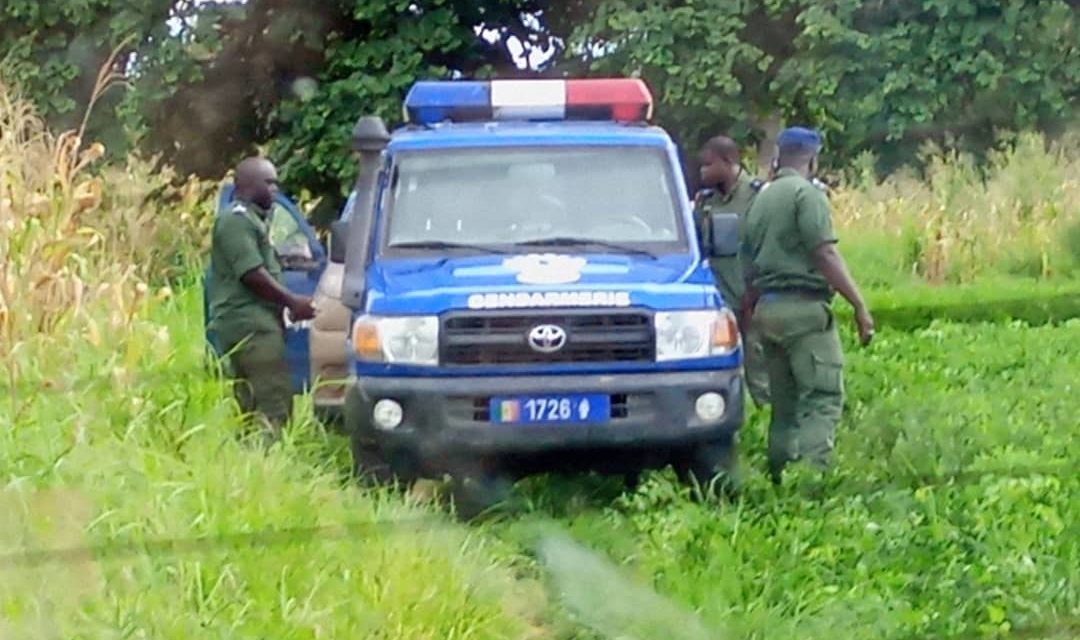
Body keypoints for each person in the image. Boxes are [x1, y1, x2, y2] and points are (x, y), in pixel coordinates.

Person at [739, 127, 874, 485]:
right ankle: (812, 483)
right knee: (822, 398)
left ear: (779, 156)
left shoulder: (759, 201)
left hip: (767, 312)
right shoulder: (807, 195)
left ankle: (779, 477)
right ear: (812, 159)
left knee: (784, 406)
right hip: (805, 313)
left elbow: (747, 266)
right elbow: (824, 252)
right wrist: (859, 305)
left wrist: (750, 315)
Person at [206, 156, 317, 443]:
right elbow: (251, 274)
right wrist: (292, 302)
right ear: (247, 185)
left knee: (251, 403)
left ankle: (246, 462)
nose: (274, 190)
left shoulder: (251, 220)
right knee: (274, 402)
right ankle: (266, 462)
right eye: (268, 183)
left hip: (253, 321)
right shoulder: (236, 220)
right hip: (249, 323)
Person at [693, 135, 770, 407]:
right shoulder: (704, 202)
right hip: (718, 300)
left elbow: (766, 247)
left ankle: (763, 416)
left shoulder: (758, 196)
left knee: (758, 365)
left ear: (728, 162)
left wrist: (756, 294)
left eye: (708, 165)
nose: (702, 172)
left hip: (752, 297)